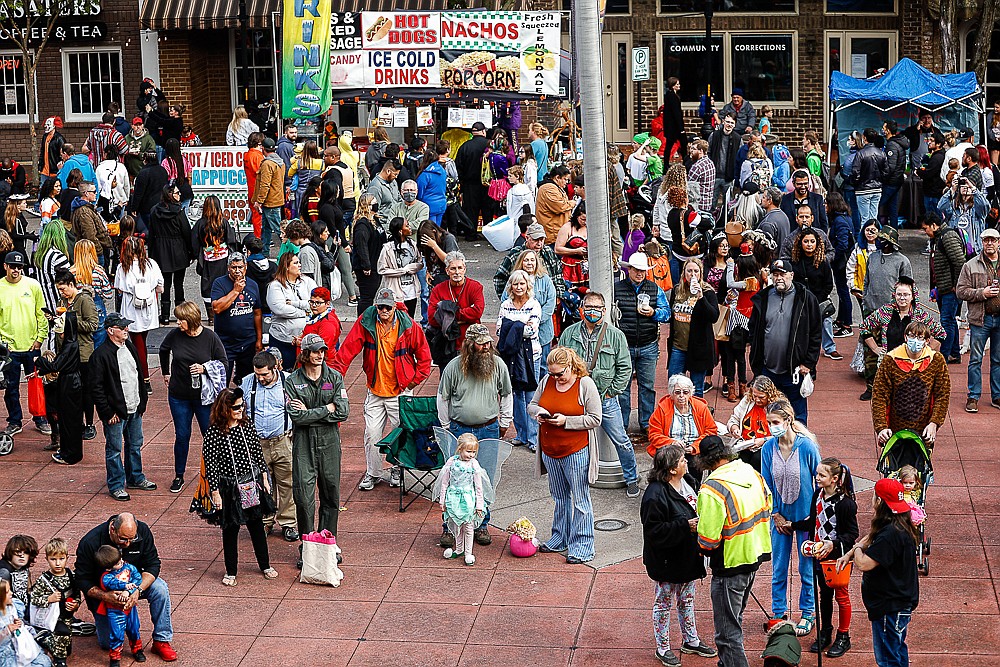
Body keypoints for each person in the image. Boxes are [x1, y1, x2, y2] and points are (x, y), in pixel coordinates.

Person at [333, 286, 431, 491]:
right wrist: (334, 379)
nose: (384, 311)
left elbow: (424, 358)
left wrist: (412, 383)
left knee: (400, 434)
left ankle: (397, 468)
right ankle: (373, 473)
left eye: (387, 307)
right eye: (381, 307)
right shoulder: (366, 321)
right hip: (375, 389)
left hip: (400, 391)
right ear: (376, 306)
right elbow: (347, 350)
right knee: (371, 434)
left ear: (394, 307)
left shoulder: (409, 326)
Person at [695, 436, 772, 667]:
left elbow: (707, 541)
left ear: (705, 462)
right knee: (735, 617)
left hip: (729, 563)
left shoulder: (712, 488)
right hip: (754, 553)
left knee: (727, 634)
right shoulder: (749, 471)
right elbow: (768, 503)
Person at [641, 445, 717, 667]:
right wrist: (686, 526)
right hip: (666, 560)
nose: (687, 462)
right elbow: (654, 532)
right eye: (682, 460)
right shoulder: (654, 495)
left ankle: (690, 640)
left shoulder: (689, 482)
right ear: (671, 469)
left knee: (687, 600)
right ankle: (663, 647)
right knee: (663, 603)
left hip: (688, 556)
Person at [527, 347, 602, 564]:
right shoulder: (547, 381)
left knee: (580, 500)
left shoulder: (585, 384)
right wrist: (539, 414)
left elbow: (595, 419)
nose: (556, 378)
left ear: (571, 366)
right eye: (552, 373)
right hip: (551, 451)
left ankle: (583, 546)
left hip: (576, 451)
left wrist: (566, 422)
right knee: (560, 498)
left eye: (560, 373)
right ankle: (560, 537)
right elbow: (532, 405)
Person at [558, 291, 638, 495]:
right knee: (574, 441)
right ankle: (574, 478)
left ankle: (631, 479)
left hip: (606, 400)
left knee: (621, 440)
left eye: (597, 308)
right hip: (577, 399)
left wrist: (612, 392)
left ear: (604, 311)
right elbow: (560, 362)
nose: (592, 312)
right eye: (589, 307)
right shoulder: (569, 333)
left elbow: (624, 368)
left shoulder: (615, 335)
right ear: (582, 309)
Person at [835, 478, 919, 667]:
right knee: (897, 651)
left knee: (888, 659)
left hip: (889, 608)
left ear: (879, 501)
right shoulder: (895, 524)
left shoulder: (891, 535)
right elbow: (870, 536)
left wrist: (855, 549)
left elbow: (864, 564)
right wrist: (850, 552)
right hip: (897, 604)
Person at [74, 513, 177, 661]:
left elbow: (153, 564)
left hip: (134, 583)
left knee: (160, 588)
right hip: (105, 592)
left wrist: (137, 590)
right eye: (123, 539)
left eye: (132, 539)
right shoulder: (90, 542)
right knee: (107, 643)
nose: (128, 544)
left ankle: (161, 639)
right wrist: (105, 596)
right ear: (112, 529)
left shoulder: (142, 530)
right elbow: (82, 579)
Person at [202, 387, 276, 587]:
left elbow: (257, 452)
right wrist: (215, 492)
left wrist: (265, 478)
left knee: (256, 526)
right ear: (225, 408)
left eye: (242, 405)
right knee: (230, 529)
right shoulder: (214, 433)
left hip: (250, 483)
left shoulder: (246, 425)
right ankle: (231, 571)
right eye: (236, 407)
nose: (240, 410)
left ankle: (265, 565)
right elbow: (211, 465)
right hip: (229, 487)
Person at [760, 399, 821, 634]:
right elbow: (765, 484)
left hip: (805, 518)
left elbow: (819, 482)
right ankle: (778, 612)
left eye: (775, 422)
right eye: (769, 423)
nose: (772, 427)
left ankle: (808, 612)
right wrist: (775, 514)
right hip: (780, 518)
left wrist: (815, 516)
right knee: (778, 567)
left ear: (788, 420)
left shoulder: (806, 447)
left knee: (807, 568)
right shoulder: (768, 448)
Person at [286, 334, 350, 557]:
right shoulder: (292, 381)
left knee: (331, 494)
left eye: (322, 350)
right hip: (303, 443)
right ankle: (308, 545)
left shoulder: (335, 377)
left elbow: (343, 411)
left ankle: (328, 543)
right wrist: (327, 409)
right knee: (303, 498)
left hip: (329, 442)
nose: (319, 355)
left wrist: (309, 412)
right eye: (314, 351)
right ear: (305, 354)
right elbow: (297, 417)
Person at [790, 458, 858, 658]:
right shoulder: (817, 495)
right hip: (820, 556)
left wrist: (833, 544)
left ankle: (843, 636)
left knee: (842, 596)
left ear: (835, 479)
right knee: (825, 596)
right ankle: (825, 631)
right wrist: (792, 525)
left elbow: (852, 533)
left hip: (838, 558)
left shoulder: (846, 504)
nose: (817, 477)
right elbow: (813, 521)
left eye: (821, 475)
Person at [159, 301, 227, 494]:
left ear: (191, 320)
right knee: (182, 435)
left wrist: (204, 368)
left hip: (203, 398)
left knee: (210, 436)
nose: (178, 323)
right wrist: (166, 372)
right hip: (179, 395)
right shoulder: (175, 335)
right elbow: (164, 350)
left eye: (181, 320)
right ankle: (179, 475)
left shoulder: (210, 337)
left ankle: (216, 474)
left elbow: (223, 362)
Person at [748, 259, 822, 423]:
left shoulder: (806, 299)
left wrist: (808, 363)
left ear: (792, 275)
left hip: (794, 370)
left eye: (782, 274)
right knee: (766, 414)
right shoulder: (764, 297)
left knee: (798, 414)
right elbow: (753, 328)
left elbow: (816, 333)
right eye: (775, 274)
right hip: (768, 369)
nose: (779, 278)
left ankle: (799, 445)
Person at [91, 313, 154, 500]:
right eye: (123, 327)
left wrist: (142, 402)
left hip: (134, 408)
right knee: (114, 450)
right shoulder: (100, 355)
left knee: (135, 445)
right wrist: (107, 412)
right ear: (111, 331)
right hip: (116, 413)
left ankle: (135, 477)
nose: (127, 329)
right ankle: (117, 484)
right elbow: (96, 388)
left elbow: (139, 375)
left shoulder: (130, 348)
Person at [240, 351, 298, 542]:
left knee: (287, 483)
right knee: (261, 484)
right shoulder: (248, 382)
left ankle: (288, 523)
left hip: (283, 441)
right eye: (258, 374)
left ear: (276, 367)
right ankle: (265, 521)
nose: (261, 378)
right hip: (257, 444)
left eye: (265, 374)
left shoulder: (289, 381)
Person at [614, 252, 671, 438]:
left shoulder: (654, 289)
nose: (639, 273)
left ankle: (646, 423)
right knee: (622, 387)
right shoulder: (616, 289)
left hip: (648, 344)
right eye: (636, 270)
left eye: (642, 271)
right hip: (624, 345)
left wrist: (653, 312)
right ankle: (622, 423)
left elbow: (666, 313)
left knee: (647, 386)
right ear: (629, 269)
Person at [871, 320, 950, 451]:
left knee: (921, 468)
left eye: (920, 337)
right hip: (894, 430)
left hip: (923, 430)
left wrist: (934, 423)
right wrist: (881, 428)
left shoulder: (936, 360)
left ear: (927, 341)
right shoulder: (890, 360)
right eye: (912, 336)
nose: (915, 341)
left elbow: (942, 395)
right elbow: (879, 396)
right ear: (905, 337)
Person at [0, 251, 51, 439]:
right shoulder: (0, 287)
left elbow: (42, 314)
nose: (16, 270)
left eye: (20, 267)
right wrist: (2, 345)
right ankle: (15, 421)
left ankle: (40, 418)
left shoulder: (33, 285)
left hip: (32, 346)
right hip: (10, 349)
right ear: (5, 266)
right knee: (11, 387)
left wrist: (39, 339)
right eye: (13, 266)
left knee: (37, 385)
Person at [955, 227, 1000, 413]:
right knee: (975, 359)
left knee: (998, 360)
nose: (989, 243)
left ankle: (997, 395)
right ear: (982, 242)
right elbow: (960, 291)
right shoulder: (970, 265)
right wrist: (982, 293)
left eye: (993, 240)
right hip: (980, 319)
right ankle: (973, 396)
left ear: (999, 243)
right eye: (986, 240)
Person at [54, 269, 99, 441]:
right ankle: (76, 422)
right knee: (70, 391)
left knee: (86, 390)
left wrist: (69, 320)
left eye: (63, 289)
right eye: (59, 290)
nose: (61, 293)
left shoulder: (84, 300)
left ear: (71, 285)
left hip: (83, 353)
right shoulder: (62, 301)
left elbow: (93, 325)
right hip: (67, 353)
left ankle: (89, 424)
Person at [115, 237, 162, 393]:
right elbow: (160, 287)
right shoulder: (152, 264)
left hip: (131, 308)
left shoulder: (123, 268)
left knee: (137, 342)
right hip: (149, 307)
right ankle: (143, 375)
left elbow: (119, 289)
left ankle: (145, 379)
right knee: (142, 341)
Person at [436, 433, 491, 566]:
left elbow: (478, 487)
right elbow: (445, 482)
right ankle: (459, 549)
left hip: (468, 499)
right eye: (468, 451)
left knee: (468, 527)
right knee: (457, 525)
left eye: (474, 452)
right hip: (453, 498)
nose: (471, 455)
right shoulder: (451, 462)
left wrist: (479, 504)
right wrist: (442, 500)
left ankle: (468, 553)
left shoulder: (474, 464)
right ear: (460, 449)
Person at [667, 257, 720, 396]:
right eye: (689, 271)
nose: (692, 274)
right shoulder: (677, 290)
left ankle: (695, 417)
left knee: (696, 390)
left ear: (701, 273)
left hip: (699, 348)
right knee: (674, 386)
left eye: (696, 271)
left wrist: (701, 297)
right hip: (678, 346)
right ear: (684, 272)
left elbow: (714, 316)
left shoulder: (708, 292)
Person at [647, 374, 718, 477]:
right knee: (670, 467)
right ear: (671, 394)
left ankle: (693, 488)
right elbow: (654, 434)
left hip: (694, 449)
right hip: (671, 450)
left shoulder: (701, 407)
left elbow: (711, 431)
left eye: (685, 392)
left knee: (695, 466)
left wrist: (695, 447)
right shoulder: (662, 409)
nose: (681, 396)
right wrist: (672, 442)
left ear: (690, 394)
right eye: (677, 392)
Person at [28, 537, 81, 667]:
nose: (57, 563)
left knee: (67, 647)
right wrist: (48, 599)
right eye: (53, 559)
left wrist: (76, 604)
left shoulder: (71, 575)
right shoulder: (44, 580)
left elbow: (77, 593)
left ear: (67, 558)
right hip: (52, 618)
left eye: (61, 559)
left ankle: (44, 640)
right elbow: (33, 599)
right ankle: (59, 661)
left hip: (67, 616)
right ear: (46, 559)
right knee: (61, 639)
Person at [210, 253, 263, 384]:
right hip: (225, 343)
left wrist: (259, 339)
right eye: (234, 267)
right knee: (222, 380)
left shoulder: (253, 285)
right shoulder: (219, 283)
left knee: (246, 381)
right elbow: (217, 308)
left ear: (246, 267)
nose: (237, 271)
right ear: (228, 268)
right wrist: (235, 291)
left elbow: (257, 313)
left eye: (240, 267)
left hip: (247, 342)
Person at [789, 228, 839, 361]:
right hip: (801, 299)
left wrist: (818, 300)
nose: (809, 244)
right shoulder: (795, 262)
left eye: (812, 241)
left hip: (819, 299)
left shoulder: (823, 262)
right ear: (801, 243)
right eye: (806, 241)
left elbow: (828, 284)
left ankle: (830, 348)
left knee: (826, 321)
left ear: (817, 243)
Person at [148, 185, 193, 325]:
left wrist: (151, 252)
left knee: (165, 284)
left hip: (161, 249)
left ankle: (165, 315)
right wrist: (191, 251)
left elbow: (151, 232)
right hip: (178, 248)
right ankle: (181, 313)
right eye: (177, 193)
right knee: (179, 284)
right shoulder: (179, 211)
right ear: (171, 195)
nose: (180, 195)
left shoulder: (155, 210)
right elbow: (186, 231)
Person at [93, 544, 144, 667]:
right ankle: (115, 657)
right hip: (115, 609)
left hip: (129, 607)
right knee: (116, 633)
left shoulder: (129, 567)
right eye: (117, 563)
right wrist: (124, 586)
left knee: (134, 628)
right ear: (108, 568)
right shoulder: (107, 576)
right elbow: (111, 583)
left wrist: (128, 591)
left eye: (120, 560)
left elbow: (137, 578)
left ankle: (137, 649)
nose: (121, 563)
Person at [266, 252, 316, 369]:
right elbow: (280, 309)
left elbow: (317, 303)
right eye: (296, 263)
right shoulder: (275, 286)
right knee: (285, 371)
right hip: (283, 339)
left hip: (305, 339)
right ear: (286, 266)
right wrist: (305, 312)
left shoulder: (307, 282)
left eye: (299, 262)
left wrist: (296, 304)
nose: (299, 265)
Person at [192, 195, 239, 320]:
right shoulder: (223, 222)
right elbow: (231, 240)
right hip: (223, 259)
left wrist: (196, 255)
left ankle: (211, 316)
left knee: (208, 287)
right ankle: (225, 311)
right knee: (225, 283)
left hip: (207, 261)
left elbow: (194, 243)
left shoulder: (200, 224)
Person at [726, 375, 786, 471]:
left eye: (761, 397)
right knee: (737, 462)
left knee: (757, 460)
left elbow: (784, 434)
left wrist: (764, 440)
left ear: (769, 395)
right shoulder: (747, 400)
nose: (757, 400)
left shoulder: (779, 406)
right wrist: (734, 428)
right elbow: (734, 419)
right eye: (755, 396)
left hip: (768, 445)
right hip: (745, 444)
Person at [428, 251, 485, 350]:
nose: (457, 272)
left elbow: (477, 312)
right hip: (446, 342)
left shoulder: (475, 287)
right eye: (453, 269)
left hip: (470, 341)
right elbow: (432, 318)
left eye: (460, 268)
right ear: (447, 271)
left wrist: (449, 316)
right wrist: (465, 316)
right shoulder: (438, 289)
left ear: (464, 269)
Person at [493, 222, 566, 300]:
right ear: (527, 238)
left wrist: (558, 296)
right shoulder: (515, 254)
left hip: (547, 301)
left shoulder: (548, 252)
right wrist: (507, 299)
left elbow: (558, 275)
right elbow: (499, 278)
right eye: (536, 240)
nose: (539, 243)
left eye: (542, 240)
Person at [377, 216, 422, 316]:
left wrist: (413, 267)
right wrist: (403, 270)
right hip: (395, 291)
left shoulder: (413, 245)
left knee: (410, 318)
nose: (410, 228)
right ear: (400, 231)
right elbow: (382, 270)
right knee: (396, 319)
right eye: (407, 226)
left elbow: (420, 262)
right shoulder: (388, 248)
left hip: (412, 290)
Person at [937, 173, 990, 255]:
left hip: (974, 249)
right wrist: (952, 190)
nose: (966, 187)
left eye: (968, 186)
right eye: (963, 185)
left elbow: (985, 206)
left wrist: (973, 188)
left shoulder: (977, 207)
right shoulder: (953, 205)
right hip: (957, 248)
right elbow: (941, 207)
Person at [455, 121, 491, 229]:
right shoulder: (490, 145)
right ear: (483, 131)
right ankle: (489, 233)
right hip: (488, 184)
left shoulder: (465, 146)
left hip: (470, 184)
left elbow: (458, 166)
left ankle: (471, 233)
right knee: (487, 210)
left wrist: (462, 182)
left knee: (471, 210)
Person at [253, 138, 287, 255]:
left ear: (263, 148)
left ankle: (291, 251)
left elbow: (265, 185)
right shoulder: (280, 162)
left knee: (279, 230)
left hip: (270, 202)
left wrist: (259, 201)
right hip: (277, 199)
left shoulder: (267, 163)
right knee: (266, 229)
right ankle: (264, 252)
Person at [69, 181, 113, 263]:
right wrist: (99, 252)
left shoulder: (86, 208)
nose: (96, 194)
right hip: (93, 253)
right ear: (86, 193)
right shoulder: (84, 212)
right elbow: (90, 235)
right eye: (94, 192)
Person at [128, 152, 168, 232]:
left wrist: (134, 207)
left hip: (147, 208)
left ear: (145, 160)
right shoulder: (163, 170)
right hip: (162, 206)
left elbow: (138, 193)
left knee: (152, 231)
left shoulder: (144, 173)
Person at [301, 287, 341, 365]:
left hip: (322, 364)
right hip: (312, 361)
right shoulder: (317, 316)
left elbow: (322, 347)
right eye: (312, 302)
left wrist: (300, 342)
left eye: (318, 303)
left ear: (327, 304)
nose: (314, 305)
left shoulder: (328, 322)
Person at [536, 165, 574, 244]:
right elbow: (560, 207)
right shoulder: (549, 189)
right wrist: (572, 203)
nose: (566, 183)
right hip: (553, 233)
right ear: (557, 177)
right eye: (565, 179)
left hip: (556, 231)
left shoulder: (555, 187)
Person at [95, 146, 130, 223]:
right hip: (120, 200)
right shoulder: (122, 167)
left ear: (105, 154)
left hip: (105, 203)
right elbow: (126, 185)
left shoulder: (100, 168)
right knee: (120, 226)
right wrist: (127, 198)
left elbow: (98, 187)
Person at [38, 116, 65, 188]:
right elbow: (42, 151)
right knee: (42, 188)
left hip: (54, 170)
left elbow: (63, 154)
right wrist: (40, 166)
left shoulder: (59, 138)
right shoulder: (45, 137)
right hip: (45, 169)